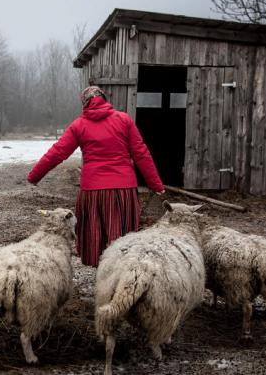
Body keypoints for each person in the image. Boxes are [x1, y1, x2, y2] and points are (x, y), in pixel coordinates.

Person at [27, 86, 165, 267]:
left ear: (85, 103)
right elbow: (141, 153)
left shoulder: (79, 125)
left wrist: (34, 176)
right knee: (121, 237)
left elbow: (58, 152)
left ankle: (100, 273)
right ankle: (119, 273)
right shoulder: (124, 120)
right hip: (122, 191)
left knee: (94, 235)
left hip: (92, 192)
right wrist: (156, 185)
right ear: (104, 99)